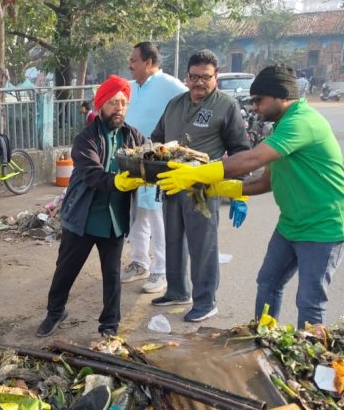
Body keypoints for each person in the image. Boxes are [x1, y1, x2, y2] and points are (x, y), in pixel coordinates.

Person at [157, 65, 344, 329]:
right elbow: (266, 180)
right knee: (268, 282)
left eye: (258, 100)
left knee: (309, 301)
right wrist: (222, 189)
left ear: (281, 96)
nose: (253, 107)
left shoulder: (302, 122)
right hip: (293, 223)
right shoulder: (283, 125)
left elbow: (251, 158)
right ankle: (264, 340)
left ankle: (312, 365)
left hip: (325, 225)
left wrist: (198, 175)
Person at [35, 75, 147, 338]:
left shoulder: (134, 136)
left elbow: (147, 160)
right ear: (100, 106)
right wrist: (119, 181)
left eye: (123, 102)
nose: (119, 108)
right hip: (83, 216)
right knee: (66, 270)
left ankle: (109, 324)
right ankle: (55, 312)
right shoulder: (86, 138)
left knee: (112, 274)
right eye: (113, 102)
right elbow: (92, 174)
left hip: (114, 219)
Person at [149, 50, 251, 323]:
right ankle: (177, 291)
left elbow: (241, 150)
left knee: (202, 247)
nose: (199, 83)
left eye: (205, 77)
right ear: (188, 76)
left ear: (215, 77)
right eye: (194, 77)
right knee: (173, 242)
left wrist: (240, 192)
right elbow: (158, 138)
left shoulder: (225, 106)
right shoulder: (174, 104)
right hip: (172, 186)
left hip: (203, 192)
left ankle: (206, 302)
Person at [120, 41, 188, 294]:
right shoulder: (130, 87)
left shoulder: (170, 86)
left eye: (134, 60)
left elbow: (189, 107)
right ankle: (140, 262)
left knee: (158, 215)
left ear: (149, 62)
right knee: (135, 213)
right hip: (132, 159)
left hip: (158, 160)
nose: (130, 64)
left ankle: (162, 268)